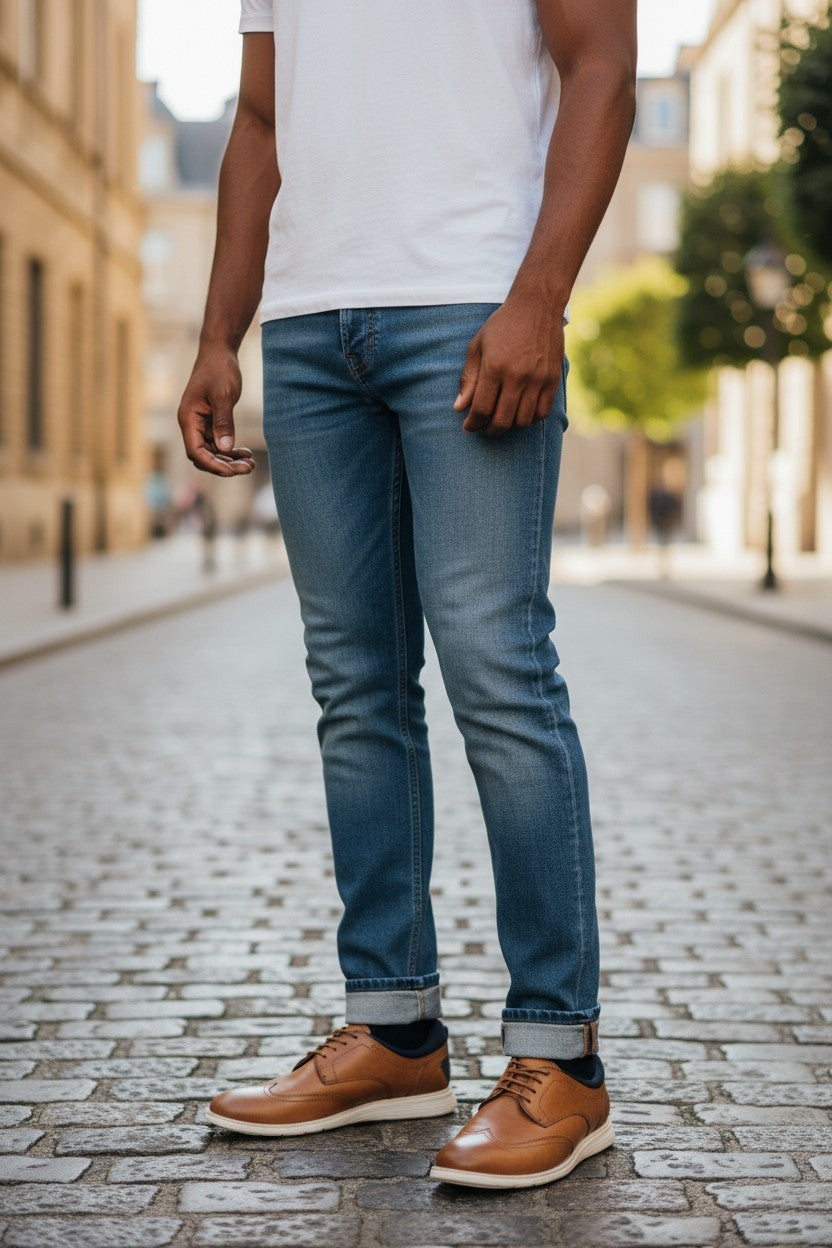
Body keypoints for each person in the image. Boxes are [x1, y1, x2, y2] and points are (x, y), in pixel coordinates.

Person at [178, 0, 637, 1189]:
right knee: (355, 688)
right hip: (311, 328)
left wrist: (538, 296)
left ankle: (560, 1060)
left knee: (495, 667)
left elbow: (600, 68)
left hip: (470, 301)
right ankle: (393, 1031)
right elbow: (263, 116)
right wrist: (220, 331)